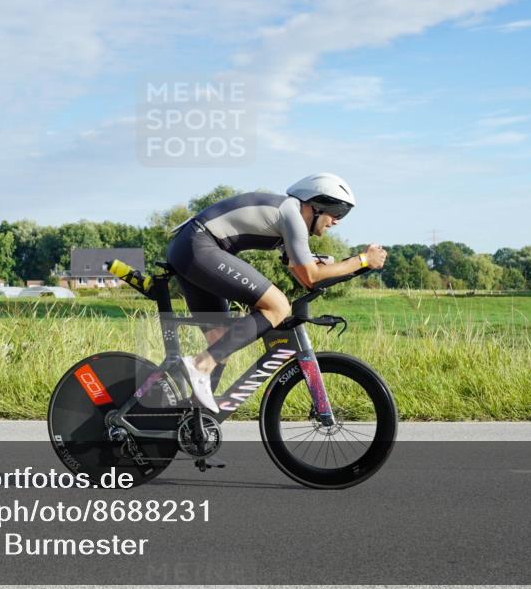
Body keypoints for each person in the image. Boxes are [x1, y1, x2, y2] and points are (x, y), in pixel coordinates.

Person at [165, 173, 387, 412]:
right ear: (316, 206)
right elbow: (312, 276)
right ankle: (200, 365)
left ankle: (190, 418)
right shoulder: (291, 215)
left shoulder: (288, 217)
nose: (337, 221)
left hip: (189, 247)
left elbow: (306, 278)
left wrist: (357, 266)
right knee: (278, 306)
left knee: (221, 342)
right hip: (199, 245)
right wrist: (362, 259)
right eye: (337, 212)